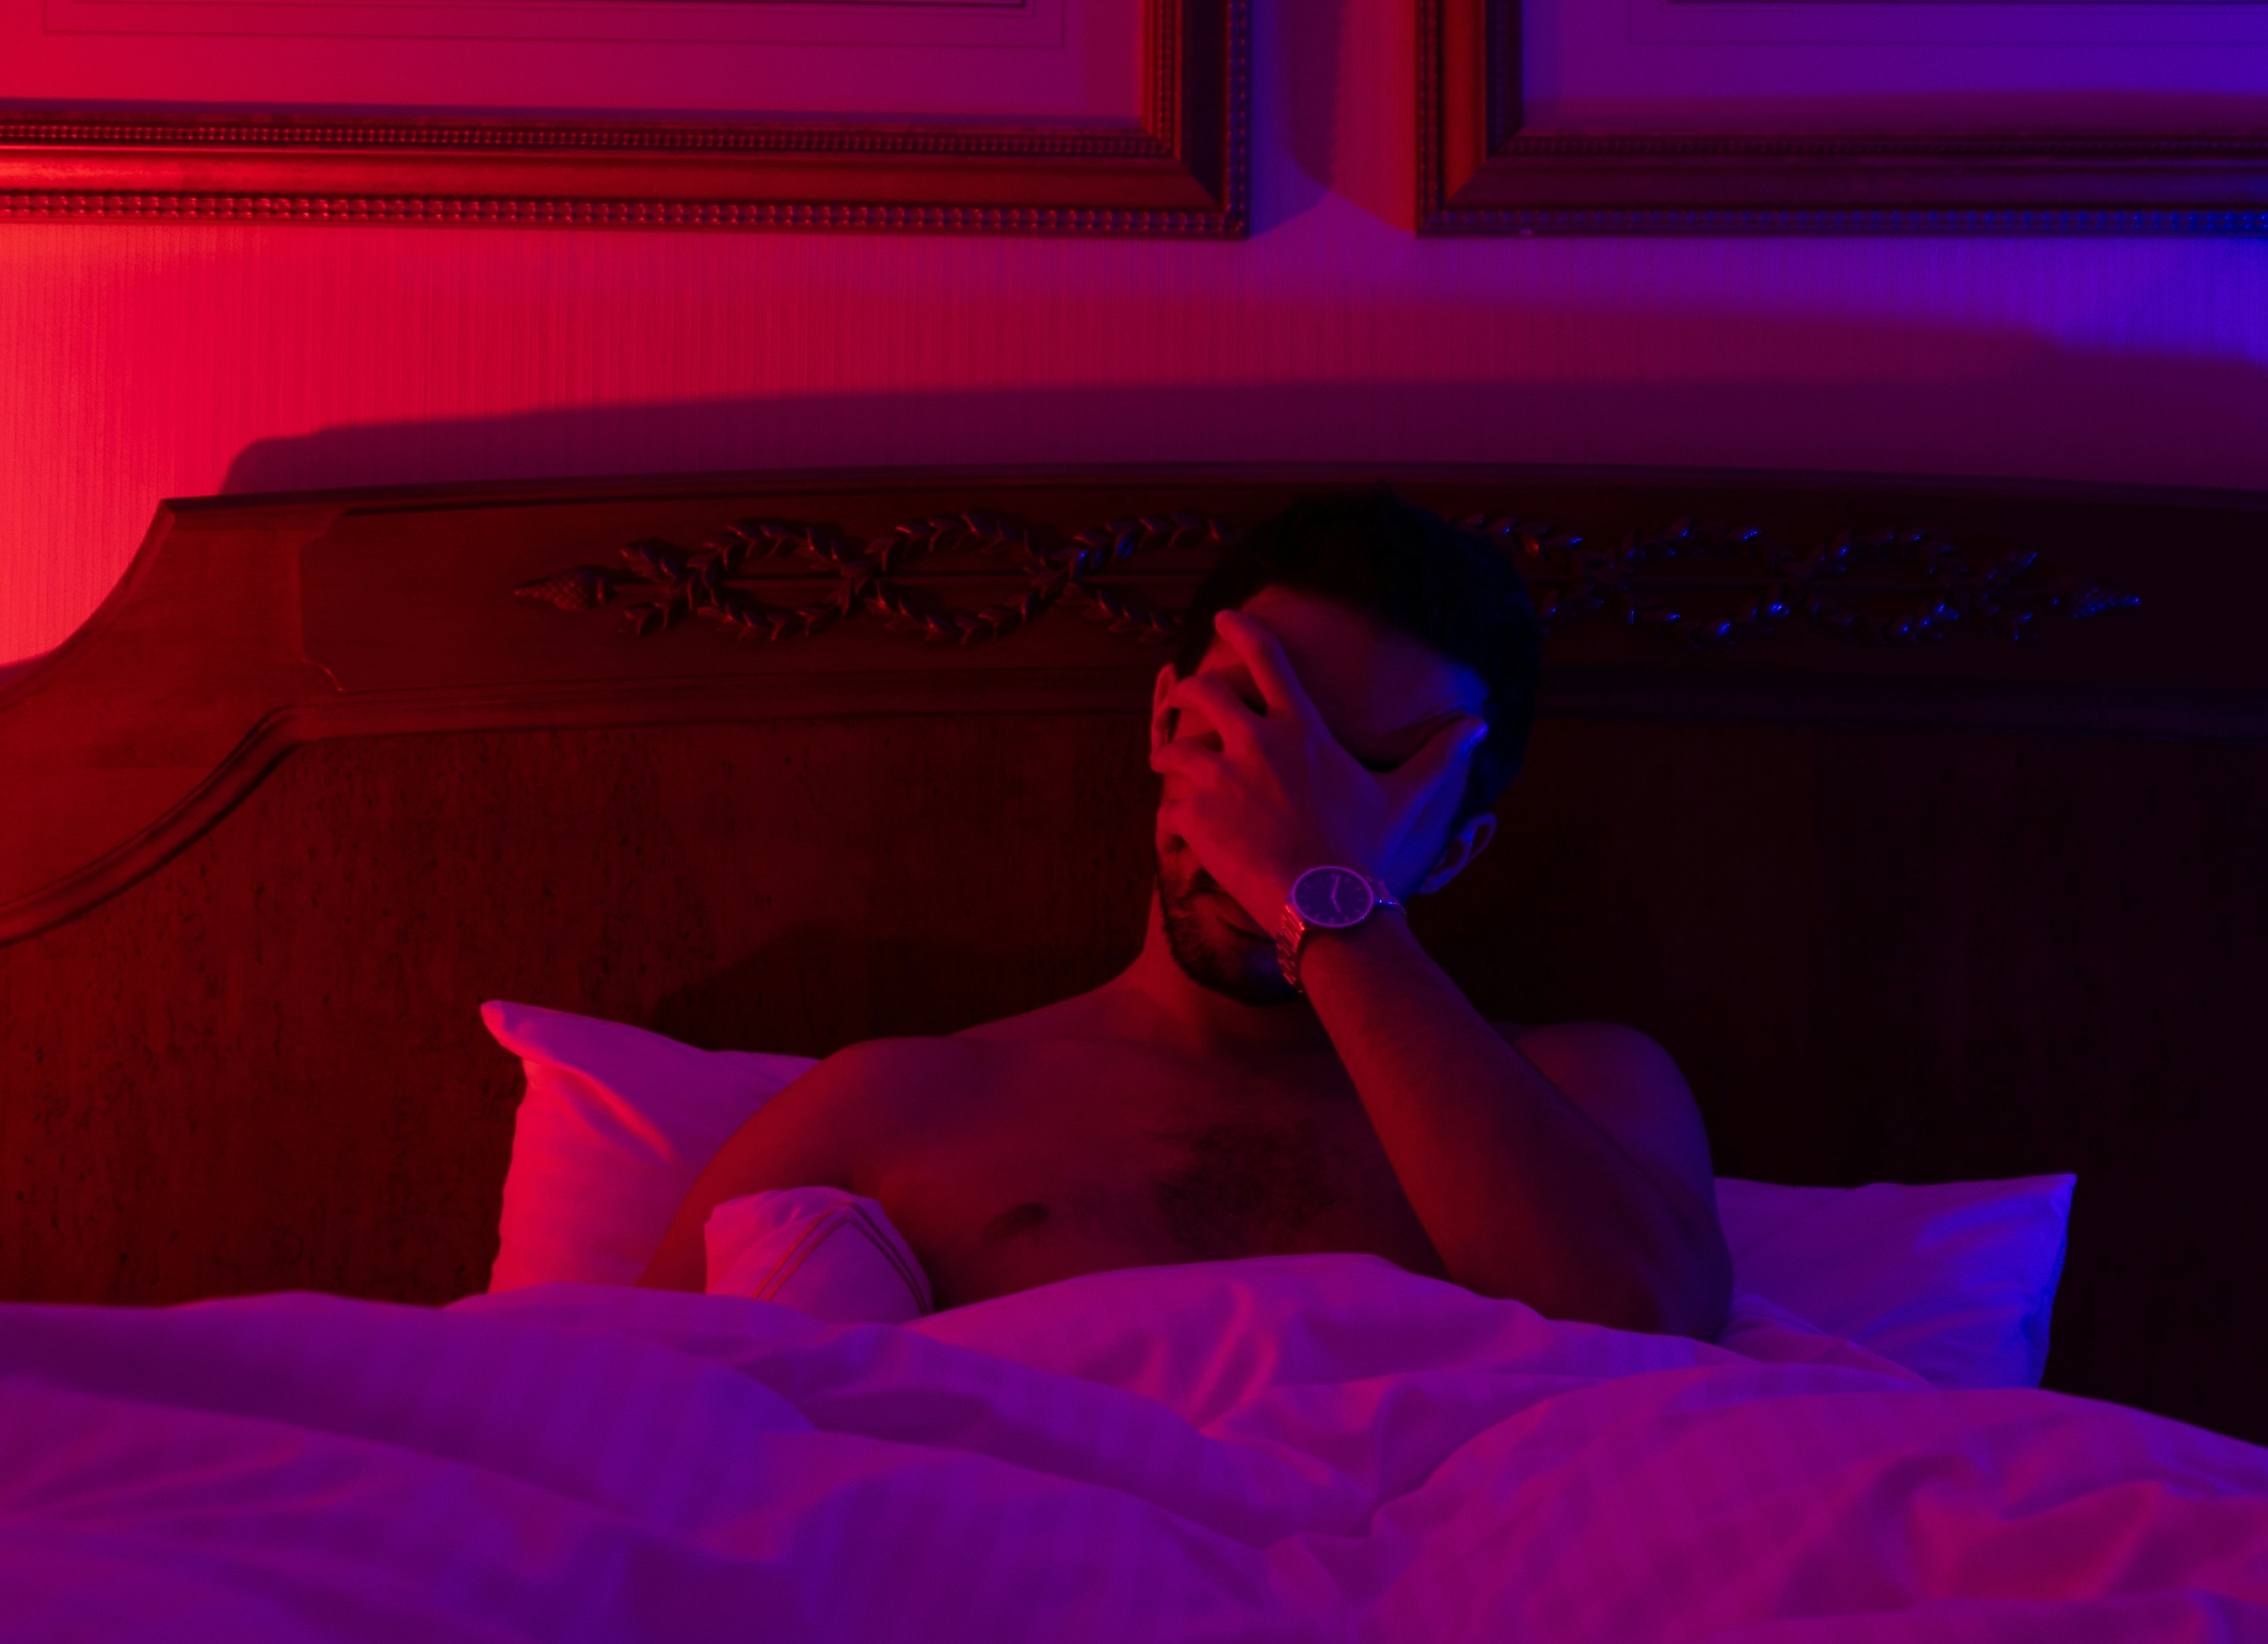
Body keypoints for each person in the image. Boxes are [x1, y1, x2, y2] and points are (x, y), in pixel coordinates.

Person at [634, 492, 1732, 1338]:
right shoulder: (885, 1111)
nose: (1280, 799)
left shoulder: (1584, 1092)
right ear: (1166, 722)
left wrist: (1322, 893)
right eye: (1247, 721)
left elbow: (1645, 1342)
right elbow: (634, 1418)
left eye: (1364, 768)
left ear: (1455, 847)